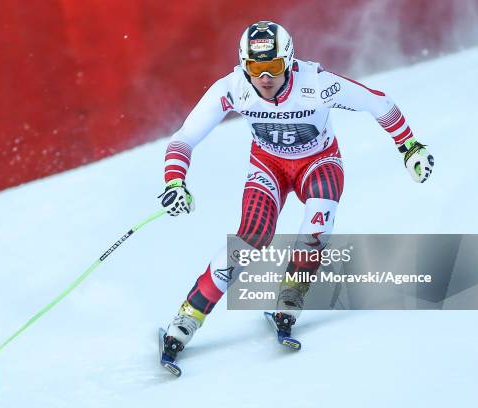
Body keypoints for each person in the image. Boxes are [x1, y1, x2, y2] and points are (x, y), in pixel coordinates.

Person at [158, 21, 434, 358]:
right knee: (250, 239)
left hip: (318, 162)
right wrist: (175, 180)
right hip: (268, 166)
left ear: (289, 61)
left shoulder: (317, 83)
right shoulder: (231, 89)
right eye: (256, 68)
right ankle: (189, 315)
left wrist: (409, 147)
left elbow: (378, 102)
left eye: (273, 66)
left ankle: (290, 296)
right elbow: (185, 138)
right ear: (244, 65)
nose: (265, 78)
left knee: (316, 226)